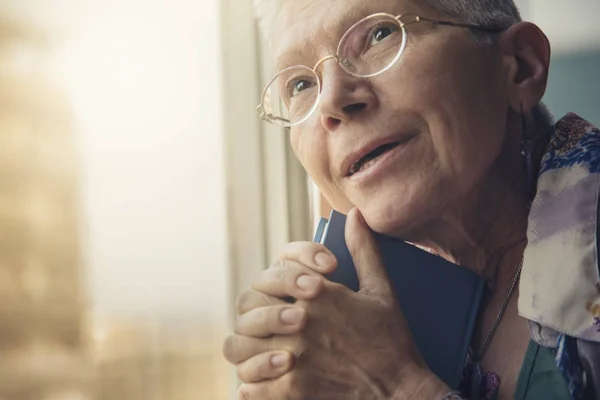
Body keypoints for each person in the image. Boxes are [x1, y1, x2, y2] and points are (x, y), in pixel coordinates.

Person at [222, 0, 600, 398]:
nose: (331, 100)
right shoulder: (353, 317)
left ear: (520, 66)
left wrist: (396, 386)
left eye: (379, 35)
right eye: (301, 85)